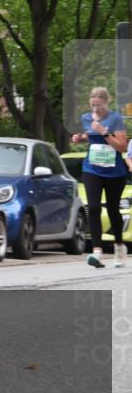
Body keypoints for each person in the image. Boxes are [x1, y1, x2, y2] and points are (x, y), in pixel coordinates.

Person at [70, 87, 129, 268]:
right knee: (94, 208)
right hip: (92, 169)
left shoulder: (115, 119)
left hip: (114, 172)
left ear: (106, 103)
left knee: (112, 209)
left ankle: (118, 246)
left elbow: (122, 146)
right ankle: (97, 251)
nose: (96, 109)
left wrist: (104, 131)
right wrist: (80, 138)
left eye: (99, 105)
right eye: (93, 105)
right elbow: (90, 135)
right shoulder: (86, 118)